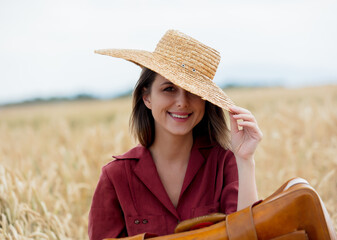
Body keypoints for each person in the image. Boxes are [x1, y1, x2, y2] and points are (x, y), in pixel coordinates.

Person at [88, 29, 263, 240]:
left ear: (205, 102)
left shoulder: (225, 163)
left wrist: (245, 160)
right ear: (147, 97)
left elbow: (247, 235)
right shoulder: (116, 175)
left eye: (193, 92)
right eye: (169, 89)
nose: (182, 102)